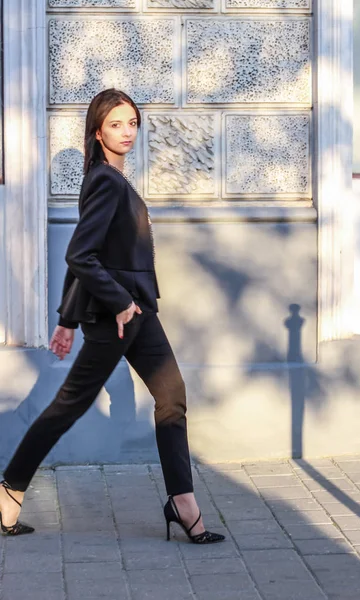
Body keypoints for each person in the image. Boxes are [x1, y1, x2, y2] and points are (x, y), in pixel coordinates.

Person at [0, 89, 224, 545]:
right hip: (117, 314)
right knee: (71, 404)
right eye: (116, 124)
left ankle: (182, 502)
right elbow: (80, 255)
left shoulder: (113, 180)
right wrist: (115, 304)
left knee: (172, 394)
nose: (127, 132)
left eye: (132, 123)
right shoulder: (105, 180)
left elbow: (91, 252)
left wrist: (65, 318)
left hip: (139, 310)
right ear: (98, 131)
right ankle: (10, 488)